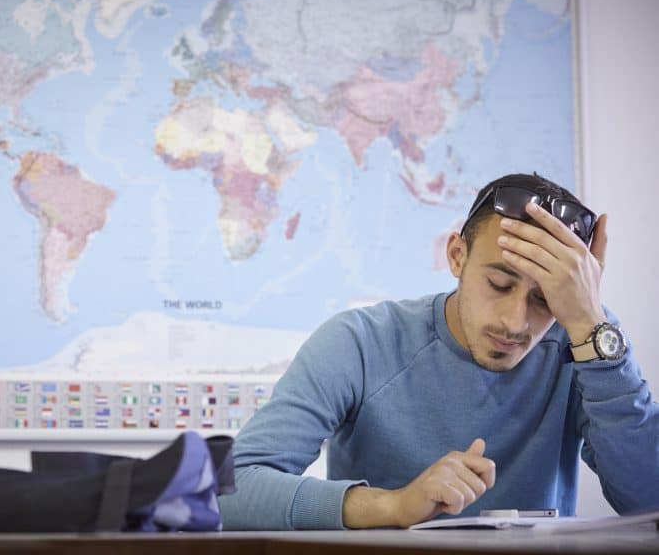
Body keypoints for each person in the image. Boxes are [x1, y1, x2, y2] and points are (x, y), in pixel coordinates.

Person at [219, 172, 659, 530]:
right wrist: (392, 506)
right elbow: (229, 489)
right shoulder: (359, 343)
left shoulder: (585, 344)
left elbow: (649, 501)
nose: (515, 322)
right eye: (498, 284)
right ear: (456, 256)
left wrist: (591, 328)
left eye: (545, 299)